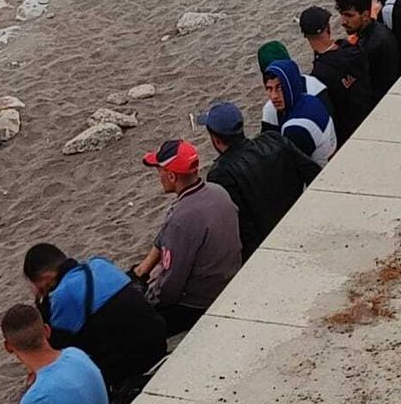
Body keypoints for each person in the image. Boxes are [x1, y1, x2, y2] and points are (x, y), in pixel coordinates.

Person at [23, 244, 168, 404]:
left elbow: (54, 346)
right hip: (158, 339)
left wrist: (42, 302)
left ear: (45, 278)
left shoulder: (63, 295)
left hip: (134, 365)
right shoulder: (100, 264)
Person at [132, 139, 243, 335]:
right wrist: (143, 269)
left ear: (172, 176)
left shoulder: (182, 219)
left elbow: (170, 288)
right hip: (230, 280)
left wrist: (148, 297)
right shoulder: (218, 192)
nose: (159, 176)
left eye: (160, 171)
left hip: (199, 304)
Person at [201, 99, 319, 256]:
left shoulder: (221, 173)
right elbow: (314, 173)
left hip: (268, 246)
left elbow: (242, 228)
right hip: (300, 221)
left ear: (215, 139)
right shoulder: (273, 139)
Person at [297, 9, 373, 142]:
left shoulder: (318, 76)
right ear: (328, 28)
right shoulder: (351, 49)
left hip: (347, 133)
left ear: (306, 36)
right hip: (370, 113)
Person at [265, 49, 341, 162]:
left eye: (280, 88)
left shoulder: (294, 128)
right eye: (269, 89)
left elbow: (291, 168)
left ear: (291, 86)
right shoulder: (311, 99)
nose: (274, 96)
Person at [257, 40, 328, 131]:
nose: (274, 96)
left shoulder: (315, 89)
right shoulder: (315, 84)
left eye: (279, 86)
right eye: (270, 88)